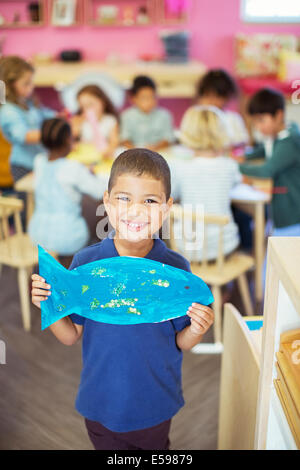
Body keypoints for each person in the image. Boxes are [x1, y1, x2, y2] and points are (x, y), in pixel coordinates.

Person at [31, 148, 214, 450]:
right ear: (107, 203)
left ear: (167, 208)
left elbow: (181, 341)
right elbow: (70, 336)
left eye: (150, 201)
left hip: (155, 401)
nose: (136, 211)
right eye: (124, 198)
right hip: (101, 400)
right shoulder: (85, 263)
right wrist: (47, 305)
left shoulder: (176, 268)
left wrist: (197, 329)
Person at [239, 88, 300, 285]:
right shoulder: (279, 135)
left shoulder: (289, 141)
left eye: (262, 121)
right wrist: (245, 156)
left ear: (279, 115)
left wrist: (236, 166)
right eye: (255, 122)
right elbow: (263, 151)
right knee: (277, 261)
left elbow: (267, 169)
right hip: (283, 210)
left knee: (282, 265)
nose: (259, 127)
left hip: (292, 212)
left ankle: (269, 296)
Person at [28, 118, 107, 265]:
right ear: (67, 140)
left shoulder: (39, 161)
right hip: (68, 236)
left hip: (38, 232)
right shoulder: (73, 168)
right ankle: (71, 268)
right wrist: (90, 174)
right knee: (97, 212)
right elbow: (99, 191)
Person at [170, 105, 241, 261]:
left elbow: (171, 194)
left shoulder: (180, 168)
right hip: (223, 246)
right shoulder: (230, 166)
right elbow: (236, 183)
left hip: (187, 248)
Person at [0, 55, 55, 182]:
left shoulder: (27, 102)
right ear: (9, 85)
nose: (31, 87)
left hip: (37, 160)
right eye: (26, 84)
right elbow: (24, 136)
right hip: (23, 166)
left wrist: (59, 117)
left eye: (31, 82)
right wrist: (54, 134)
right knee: (28, 198)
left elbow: (44, 114)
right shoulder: (8, 111)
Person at [196, 68, 249, 148]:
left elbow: (243, 141)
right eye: (207, 96)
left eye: (217, 97)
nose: (211, 101)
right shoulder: (196, 118)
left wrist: (228, 147)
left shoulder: (233, 118)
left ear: (227, 97)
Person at [120, 75, 175, 150]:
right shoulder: (127, 116)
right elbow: (124, 139)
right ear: (133, 99)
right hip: (134, 154)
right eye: (144, 98)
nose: (149, 102)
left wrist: (155, 148)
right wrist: (136, 151)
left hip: (158, 153)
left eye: (152, 97)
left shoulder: (164, 115)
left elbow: (168, 139)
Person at [71, 85, 119, 160]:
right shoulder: (80, 120)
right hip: (85, 155)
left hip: (103, 155)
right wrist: (75, 129)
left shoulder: (110, 120)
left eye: (90, 104)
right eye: (83, 106)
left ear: (102, 101)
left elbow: (114, 142)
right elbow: (71, 141)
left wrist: (108, 151)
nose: (87, 109)